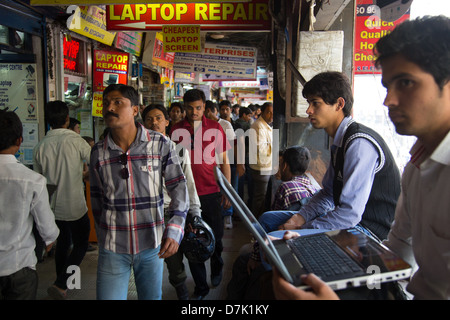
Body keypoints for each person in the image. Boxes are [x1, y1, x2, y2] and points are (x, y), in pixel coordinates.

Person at [273, 15, 450, 300]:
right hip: (381, 266)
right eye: (388, 85)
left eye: (405, 82)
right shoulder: (418, 166)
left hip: (363, 231)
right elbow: (398, 249)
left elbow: (353, 217)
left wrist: (310, 232)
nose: (388, 100)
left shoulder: (360, 143)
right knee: (287, 264)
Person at [89, 84, 189, 300]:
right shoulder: (98, 152)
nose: (110, 108)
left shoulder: (160, 144)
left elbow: (179, 188)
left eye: (118, 102)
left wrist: (175, 228)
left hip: (151, 244)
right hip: (113, 247)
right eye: (106, 103)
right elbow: (96, 199)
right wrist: (103, 234)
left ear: (135, 110)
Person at [280, 72, 401, 241]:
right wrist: (298, 218)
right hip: (349, 223)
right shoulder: (339, 141)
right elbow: (328, 193)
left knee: (277, 242)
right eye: (309, 103)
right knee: (268, 220)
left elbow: (349, 215)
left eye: (316, 103)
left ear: (339, 104)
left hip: (367, 231)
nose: (309, 110)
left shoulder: (358, 144)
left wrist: (302, 231)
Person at [170, 89, 231, 299]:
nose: (194, 111)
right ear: (184, 107)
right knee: (193, 241)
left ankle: (217, 266)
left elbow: (224, 162)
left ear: (204, 107)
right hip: (187, 195)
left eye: (198, 107)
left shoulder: (215, 128)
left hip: (212, 191)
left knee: (217, 238)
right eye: (189, 107)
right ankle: (201, 288)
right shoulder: (176, 129)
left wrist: (227, 190)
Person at [142, 103, 202, 300]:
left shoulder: (179, 151)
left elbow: (188, 184)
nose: (154, 123)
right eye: (149, 119)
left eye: (158, 118)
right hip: (149, 215)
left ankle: (185, 293)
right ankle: (180, 290)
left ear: (167, 122)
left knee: (179, 256)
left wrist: (195, 213)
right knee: (165, 261)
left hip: (174, 213)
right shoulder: (138, 153)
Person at [33, 100, 92, 300]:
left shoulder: (40, 145)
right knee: (81, 244)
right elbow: (96, 162)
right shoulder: (76, 141)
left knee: (63, 243)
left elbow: (38, 180)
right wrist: (86, 174)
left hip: (52, 207)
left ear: (48, 121)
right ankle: (61, 283)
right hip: (75, 205)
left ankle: (63, 286)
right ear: (67, 119)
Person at [0, 110, 59, 300]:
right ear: (19, 141)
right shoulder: (32, 180)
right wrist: (50, 240)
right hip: (19, 268)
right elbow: (47, 227)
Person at [259, 146, 319, 232]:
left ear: (285, 166)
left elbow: (273, 215)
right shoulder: (309, 184)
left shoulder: (285, 187)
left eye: (280, 163)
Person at [205, 100, 236, 229]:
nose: (208, 114)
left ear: (214, 111)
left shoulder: (225, 124)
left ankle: (228, 215)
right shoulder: (201, 126)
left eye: (210, 111)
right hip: (211, 166)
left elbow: (233, 145)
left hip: (225, 162)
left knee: (227, 190)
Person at [249, 102, 274, 218]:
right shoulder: (259, 126)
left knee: (260, 196)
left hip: (265, 166)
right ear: (262, 112)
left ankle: (257, 219)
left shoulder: (265, 125)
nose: (271, 115)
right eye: (268, 112)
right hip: (261, 167)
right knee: (260, 197)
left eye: (273, 113)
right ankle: (255, 223)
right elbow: (262, 149)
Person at [234, 107, 253, 207]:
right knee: (246, 178)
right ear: (244, 115)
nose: (250, 118)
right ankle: (244, 204)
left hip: (236, 156)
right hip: (245, 155)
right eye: (249, 116)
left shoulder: (234, 123)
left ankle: (238, 202)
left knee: (238, 180)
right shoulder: (246, 125)